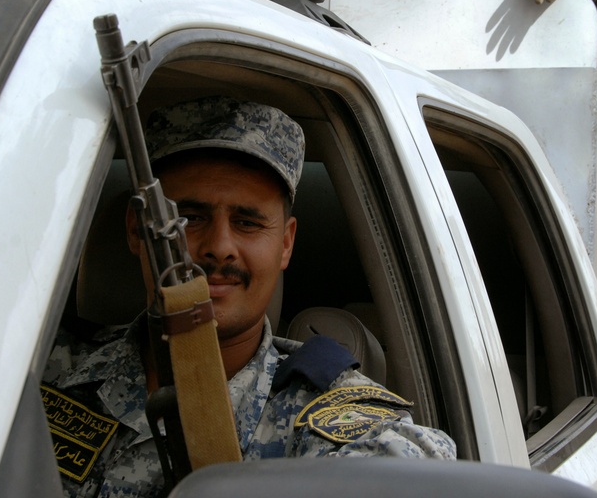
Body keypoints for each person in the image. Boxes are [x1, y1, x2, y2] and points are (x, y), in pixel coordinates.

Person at [43, 96, 456, 498]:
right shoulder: (47, 369)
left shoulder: (324, 410)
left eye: (247, 222)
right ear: (137, 230)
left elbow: (412, 469)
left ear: (286, 244)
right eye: (190, 219)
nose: (220, 246)